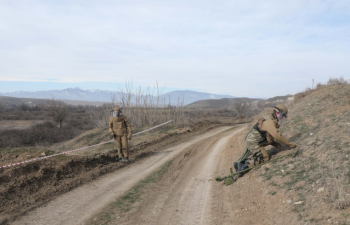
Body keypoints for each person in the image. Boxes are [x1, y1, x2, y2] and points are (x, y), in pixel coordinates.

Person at [233, 104, 297, 176]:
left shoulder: (269, 119)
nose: (282, 117)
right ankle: (243, 168)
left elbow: (269, 137)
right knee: (264, 157)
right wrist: (290, 144)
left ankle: (239, 163)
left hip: (253, 141)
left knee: (257, 155)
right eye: (282, 115)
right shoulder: (269, 122)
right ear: (277, 113)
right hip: (253, 143)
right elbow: (277, 135)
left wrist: (276, 145)